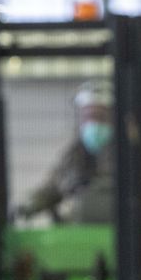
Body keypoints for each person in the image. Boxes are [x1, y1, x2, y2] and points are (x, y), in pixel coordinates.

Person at [17, 81, 117, 224]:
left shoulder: (128, 152)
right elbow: (52, 188)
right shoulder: (73, 155)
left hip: (118, 234)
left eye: (99, 116)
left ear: (112, 117)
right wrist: (30, 204)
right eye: (87, 116)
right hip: (76, 234)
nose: (93, 123)